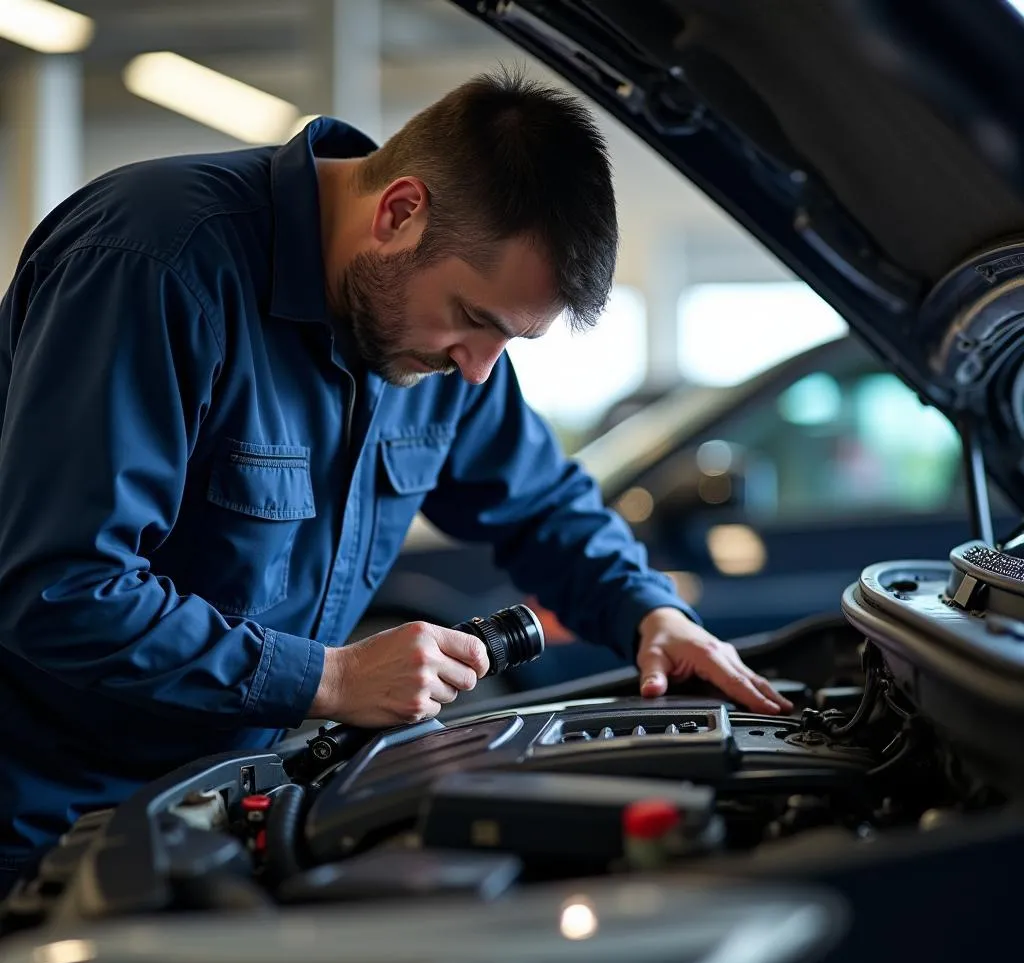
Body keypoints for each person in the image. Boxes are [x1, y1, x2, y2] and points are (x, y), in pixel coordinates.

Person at [0, 68, 792, 892]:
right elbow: (60, 587)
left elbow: (541, 504)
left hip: (210, 811)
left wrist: (649, 612)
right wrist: (330, 678)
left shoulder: (434, 344)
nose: (479, 371)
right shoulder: (158, 263)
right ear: (399, 212)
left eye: (509, 342)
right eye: (476, 319)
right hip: (41, 827)